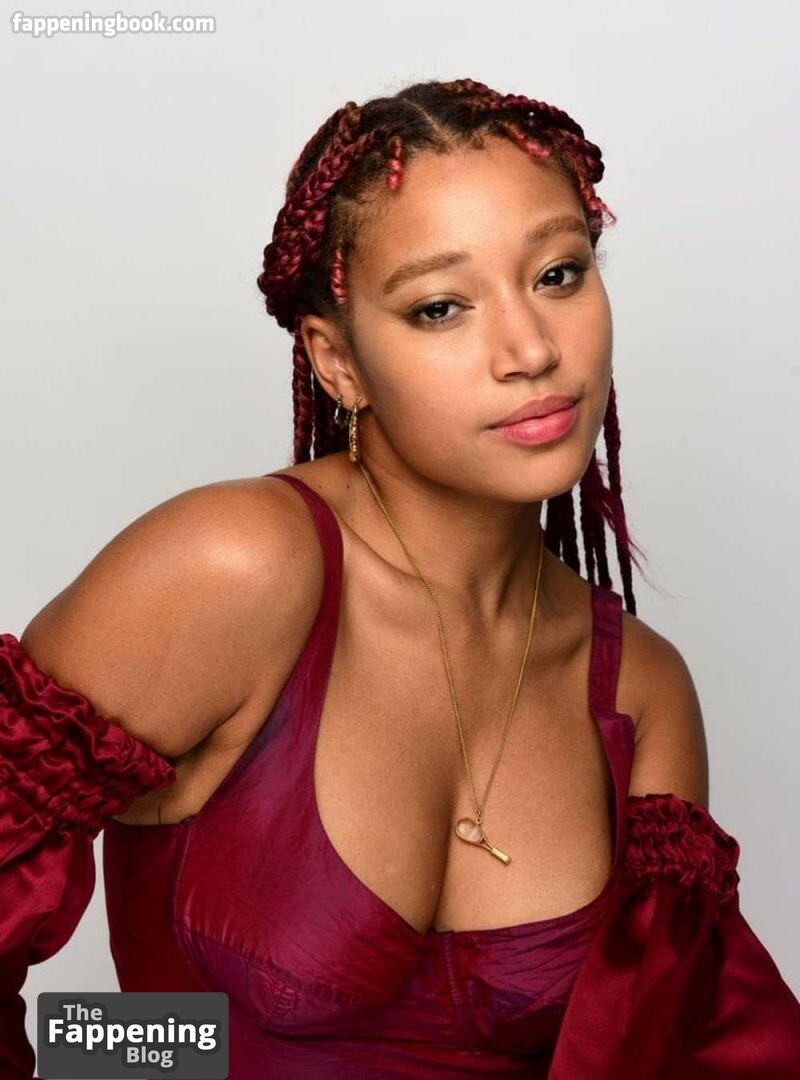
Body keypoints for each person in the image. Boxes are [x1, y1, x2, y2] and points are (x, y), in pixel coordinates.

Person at [1, 77, 799, 1079]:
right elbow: (117, 1030)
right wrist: (127, 1055)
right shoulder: (236, 570)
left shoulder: (639, 690)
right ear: (336, 362)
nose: (531, 350)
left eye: (558, 274)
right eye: (440, 307)